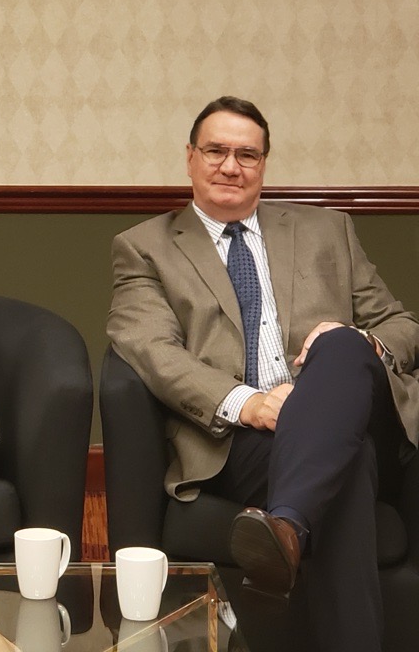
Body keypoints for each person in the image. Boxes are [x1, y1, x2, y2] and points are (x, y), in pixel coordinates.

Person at [107, 96, 419, 650]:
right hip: (243, 438)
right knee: (349, 467)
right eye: (217, 151)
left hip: (345, 406)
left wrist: (360, 340)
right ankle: (294, 532)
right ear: (189, 157)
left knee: (343, 344)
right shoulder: (145, 248)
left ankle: (285, 528)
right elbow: (151, 346)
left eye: (248, 155)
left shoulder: (329, 231)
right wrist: (246, 402)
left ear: (264, 164)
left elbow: (400, 325)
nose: (232, 166)